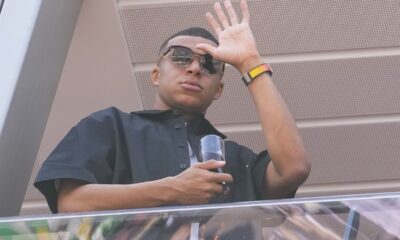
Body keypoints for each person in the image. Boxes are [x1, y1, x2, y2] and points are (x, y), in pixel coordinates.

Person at [35, 0, 310, 215]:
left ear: (219, 90)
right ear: (155, 75)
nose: (194, 68)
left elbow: (294, 168)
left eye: (210, 64)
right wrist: (173, 189)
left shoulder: (235, 159)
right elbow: (71, 203)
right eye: (180, 56)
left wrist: (250, 62)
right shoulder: (111, 126)